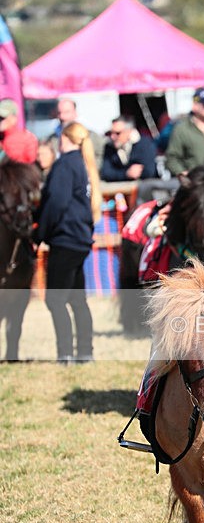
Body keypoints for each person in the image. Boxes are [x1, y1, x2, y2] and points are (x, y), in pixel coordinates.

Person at [33, 122, 101, 363]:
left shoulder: (64, 164)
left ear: (65, 139)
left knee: (55, 299)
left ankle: (65, 354)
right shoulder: (81, 165)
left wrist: (39, 234)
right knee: (75, 299)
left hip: (66, 240)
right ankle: (85, 352)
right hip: (79, 239)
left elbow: (56, 204)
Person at [49, 97, 105, 169]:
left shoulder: (90, 136)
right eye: (59, 113)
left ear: (75, 113)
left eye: (66, 112)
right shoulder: (52, 139)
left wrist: (88, 170)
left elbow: (101, 155)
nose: (62, 117)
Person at [100, 115, 158, 182]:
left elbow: (148, 172)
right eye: (110, 133)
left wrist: (118, 173)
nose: (112, 137)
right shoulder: (109, 147)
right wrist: (126, 173)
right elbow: (105, 173)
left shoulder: (145, 144)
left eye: (117, 133)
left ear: (129, 131)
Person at [0, 98, 38, 164]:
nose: (1, 121)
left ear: (14, 118)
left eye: (3, 117)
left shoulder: (27, 138)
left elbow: (31, 164)